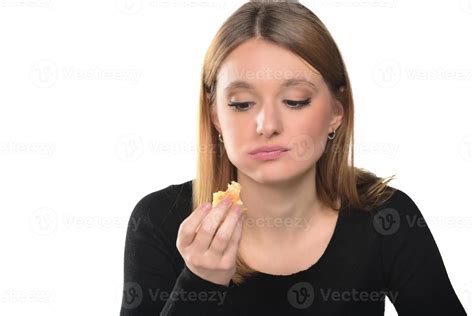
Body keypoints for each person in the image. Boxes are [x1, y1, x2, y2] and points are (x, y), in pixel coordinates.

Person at [120, 1, 467, 315]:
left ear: (336, 111)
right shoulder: (158, 221)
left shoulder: (386, 219)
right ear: (215, 117)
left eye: (296, 100)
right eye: (241, 104)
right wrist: (199, 282)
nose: (267, 125)